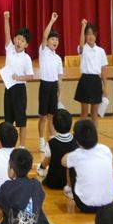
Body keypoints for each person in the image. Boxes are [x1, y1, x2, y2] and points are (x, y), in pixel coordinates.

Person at [62, 119, 113, 212]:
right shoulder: (105, 150)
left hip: (85, 205)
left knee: (70, 164)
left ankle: (69, 190)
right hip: (108, 203)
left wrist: (72, 153)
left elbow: (63, 161)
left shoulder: (76, 155)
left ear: (77, 140)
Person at [2, 11, 33, 148]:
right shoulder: (9, 49)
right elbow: (7, 33)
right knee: (8, 120)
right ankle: (8, 145)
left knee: (21, 120)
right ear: (14, 40)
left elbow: (30, 76)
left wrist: (18, 77)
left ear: (26, 45)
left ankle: (22, 146)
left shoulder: (27, 58)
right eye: (18, 39)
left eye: (23, 40)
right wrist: (6, 19)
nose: (19, 41)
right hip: (8, 88)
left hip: (20, 89)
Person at [75, 19, 108, 127]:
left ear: (96, 35)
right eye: (88, 34)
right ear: (85, 36)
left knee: (94, 113)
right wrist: (83, 27)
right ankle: (81, 134)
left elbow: (103, 71)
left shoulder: (101, 51)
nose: (91, 36)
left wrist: (105, 87)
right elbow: (80, 45)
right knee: (84, 112)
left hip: (96, 81)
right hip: (85, 80)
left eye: (93, 34)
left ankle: (94, 135)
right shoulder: (83, 49)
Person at [38, 12, 63, 152]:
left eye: (57, 40)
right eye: (52, 39)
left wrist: (60, 91)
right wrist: (52, 21)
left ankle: (52, 139)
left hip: (54, 86)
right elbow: (44, 35)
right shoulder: (43, 52)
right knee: (43, 116)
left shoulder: (58, 58)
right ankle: (42, 140)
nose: (54, 41)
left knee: (52, 116)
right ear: (47, 42)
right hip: (44, 85)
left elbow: (60, 77)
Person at [36, 109, 77, 191]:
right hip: (73, 182)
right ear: (70, 124)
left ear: (54, 126)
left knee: (40, 169)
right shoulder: (77, 140)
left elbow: (46, 162)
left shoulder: (51, 143)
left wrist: (41, 167)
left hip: (54, 183)